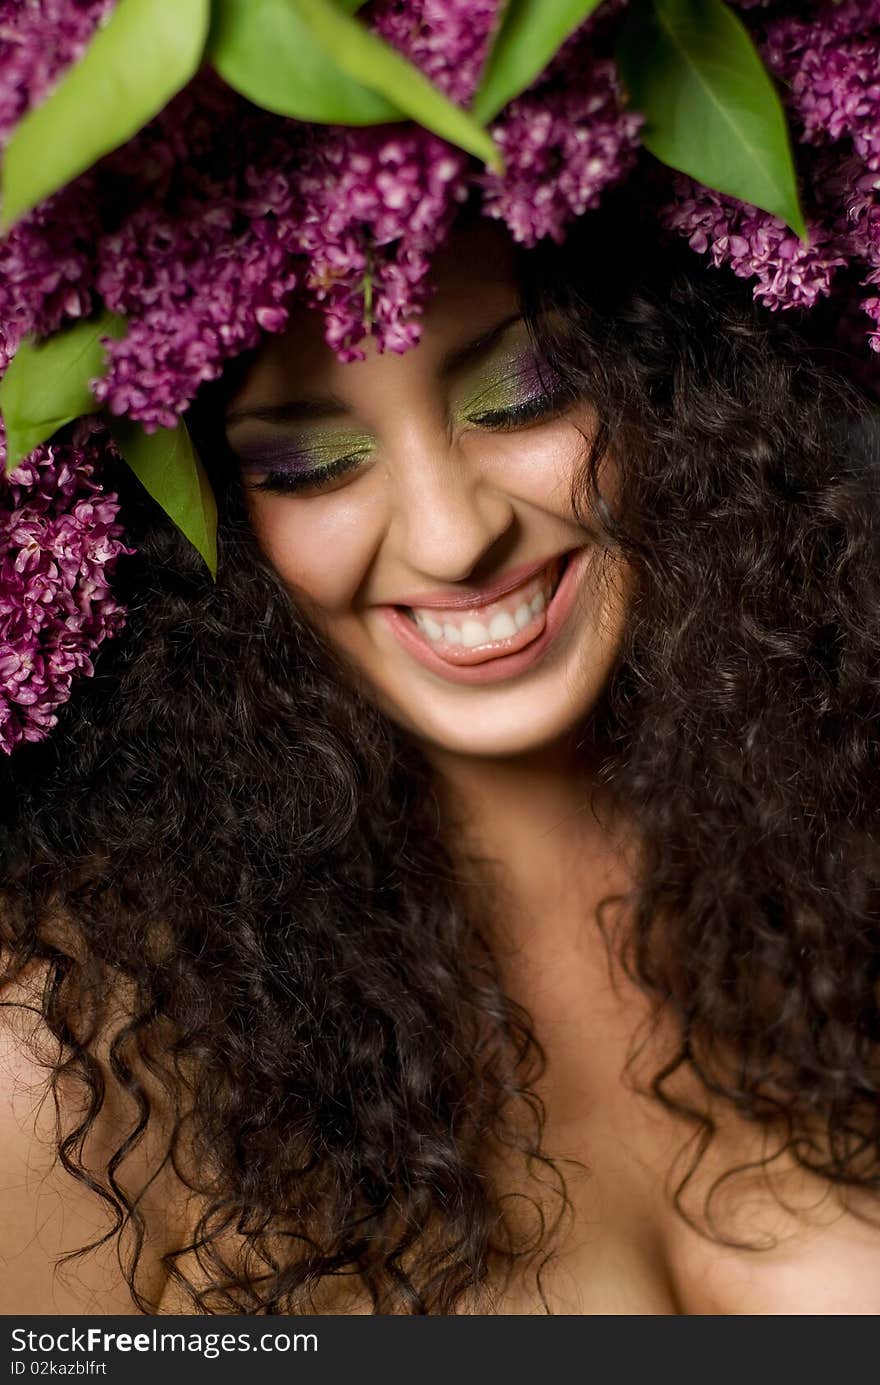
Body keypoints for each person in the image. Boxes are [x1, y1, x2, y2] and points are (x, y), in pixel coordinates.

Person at [1, 0, 880, 1317]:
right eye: (310, 461)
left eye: (525, 394)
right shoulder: (76, 1060)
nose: (452, 532)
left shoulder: (850, 848)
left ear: (683, 376)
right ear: (217, 533)